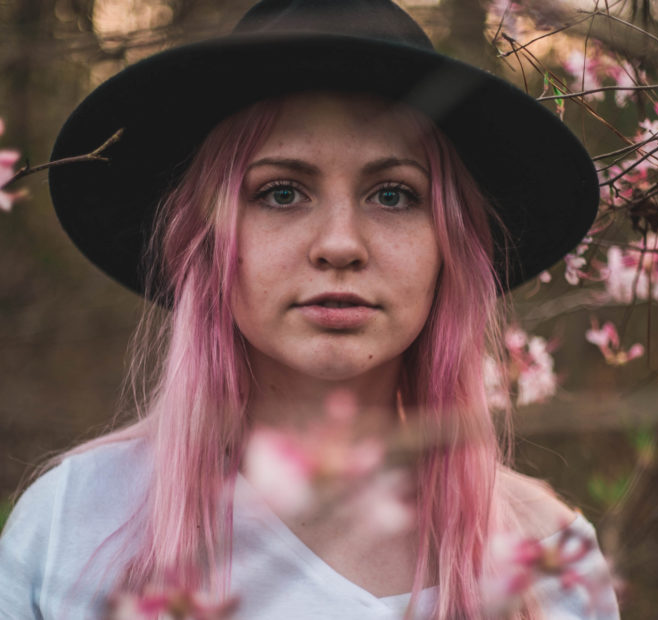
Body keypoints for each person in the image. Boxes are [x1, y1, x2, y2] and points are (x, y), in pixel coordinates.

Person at [0, 1, 620, 618]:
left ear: (449, 246)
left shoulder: (548, 565)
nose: (340, 245)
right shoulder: (72, 529)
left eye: (393, 194)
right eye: (281, 192)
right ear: (207, 242)